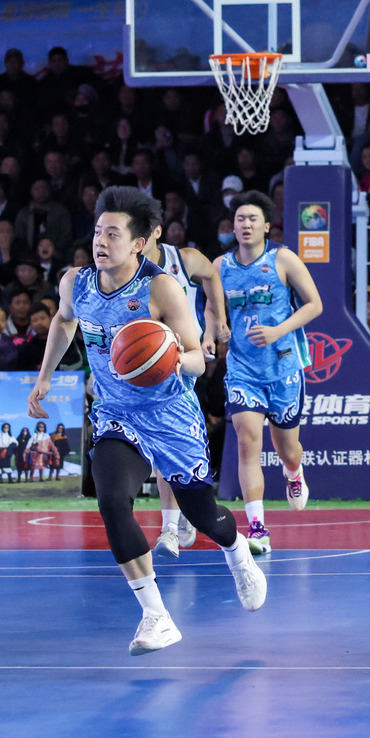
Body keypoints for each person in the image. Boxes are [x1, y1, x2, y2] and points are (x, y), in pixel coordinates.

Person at [28, 186, 265, 656]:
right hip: (116, 414)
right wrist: (44, 378)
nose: (101, 241)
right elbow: (64, 320)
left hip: (170, 414)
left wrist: (175, 359)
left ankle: (237, 551)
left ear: (138, 243)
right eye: (98, 231)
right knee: (113, 501)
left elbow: (197, 356)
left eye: (113, 234)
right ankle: (156, 615)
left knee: (203, 516)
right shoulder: (76, 283)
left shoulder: (160, 288)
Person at [214, 190, 322, 554]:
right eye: (240, 219)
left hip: (283, 365)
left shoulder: (283, 259)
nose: (245, 224)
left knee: (287, 450)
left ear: (266, 226)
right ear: (233, 227)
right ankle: (257, 528)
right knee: (247, 442)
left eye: (252, 219)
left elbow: (315, 304)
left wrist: (278, 330)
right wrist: (215, 329)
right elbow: (211, 308)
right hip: (242, 369)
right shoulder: (220, 267)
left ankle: (293, 473)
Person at [142, 220, 227, 560]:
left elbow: (212, 277)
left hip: (191, 359)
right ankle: (170, 526)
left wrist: (215, 322)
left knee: (186, 448)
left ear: (155, 231)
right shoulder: (124, 269)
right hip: (154, 366)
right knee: (164, 445)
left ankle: (188, 511)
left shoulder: (184, 258)